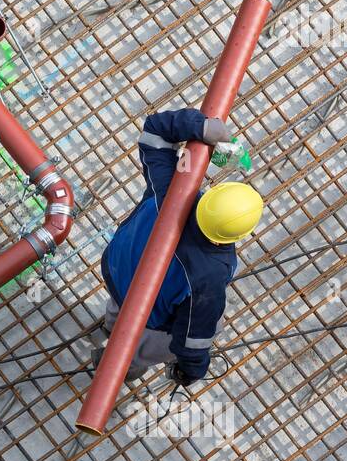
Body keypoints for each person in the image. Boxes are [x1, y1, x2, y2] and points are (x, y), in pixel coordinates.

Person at [96, 108, 263, 387]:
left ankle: (111, 326)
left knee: (120, 305)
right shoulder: (210, 274)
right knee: (207, 323)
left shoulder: (174, 190)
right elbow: (193, 338)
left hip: (117, 270)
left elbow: (154, 132)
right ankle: (123, 363)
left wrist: (201, 127)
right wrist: (191, 371)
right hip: (146, 314)